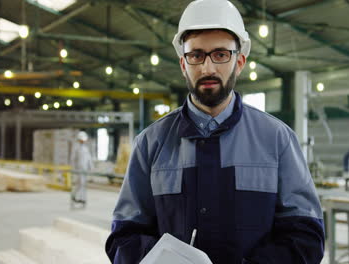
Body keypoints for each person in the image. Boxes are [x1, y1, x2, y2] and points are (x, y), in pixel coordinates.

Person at [105, 0, 325, 263]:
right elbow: (123, 237)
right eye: (196, 55)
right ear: (183, 64)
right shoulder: (150, 144)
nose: (208, 68)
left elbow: (306, 238)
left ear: (239, 61)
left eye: (220, 54)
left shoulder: (277, 140)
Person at [70, 130, 93, 209]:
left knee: (82, 184)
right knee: (80, 184)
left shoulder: (86, 148)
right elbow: (73, 159)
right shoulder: (76, 148)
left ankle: (80, 199)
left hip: (84, 169)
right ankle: (78, 198)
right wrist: (74, 169)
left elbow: (89, 158)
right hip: (78, 170)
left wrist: (91, 167)